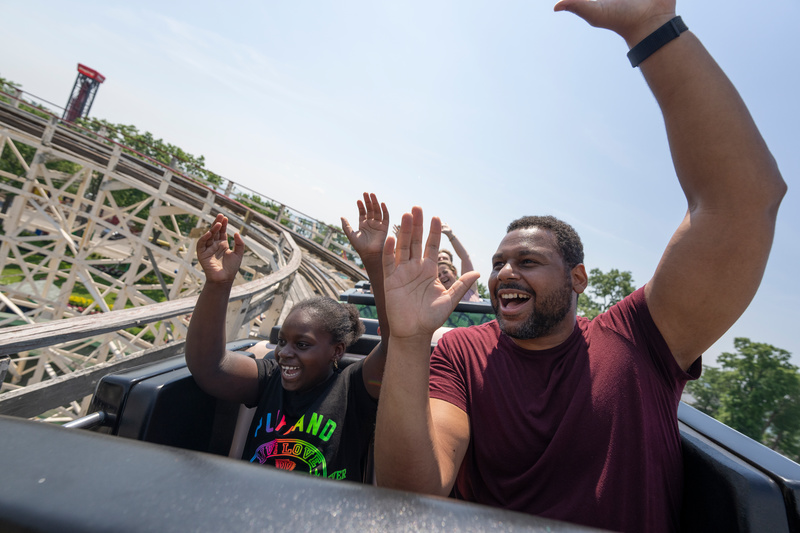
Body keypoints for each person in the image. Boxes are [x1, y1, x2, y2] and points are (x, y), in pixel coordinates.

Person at [373, 2, 786, 532]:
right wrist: (408, 339)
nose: (503, 274)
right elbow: (413, 491)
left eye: (528, 261)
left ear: (578, 278)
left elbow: (744, 202)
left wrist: (650, 27)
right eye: (499, 263)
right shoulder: (461, 352)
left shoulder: (640, 341)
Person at [185, 192, 391, 482]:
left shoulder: (353, 388)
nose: (284, 352)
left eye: (302, 344)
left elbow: (396, 345)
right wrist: (218, 284)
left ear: (336, 351)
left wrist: (372, 260)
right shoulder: (271, 376)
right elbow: (210, 367)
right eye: (282, 341)